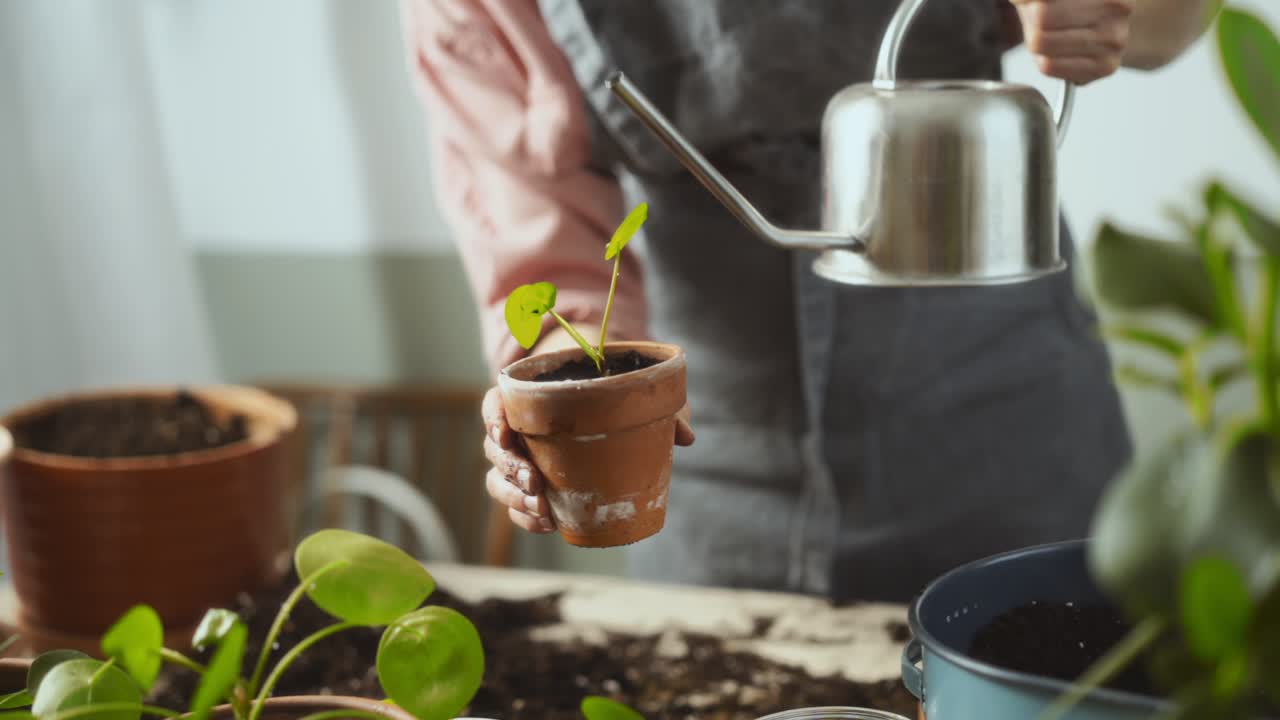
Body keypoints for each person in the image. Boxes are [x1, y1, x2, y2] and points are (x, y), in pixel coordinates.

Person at [401, 0, 1220, 602]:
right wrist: (555, 409)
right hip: (705, 462)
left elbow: (1174, 16)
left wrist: (1108, 13)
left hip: (1005, 423)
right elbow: (547, 260)